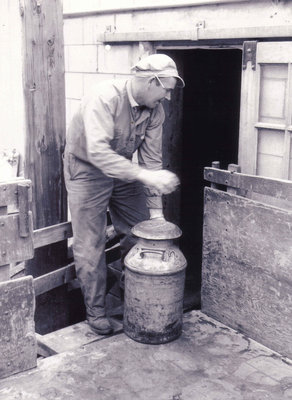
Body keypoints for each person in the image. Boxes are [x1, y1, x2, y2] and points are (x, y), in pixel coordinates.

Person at [63, 53, 185, 335]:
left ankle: (134, 299)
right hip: (87, 168)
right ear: (150, 82)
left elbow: (152, 161)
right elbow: (98, 152)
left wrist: (156, 213)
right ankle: (96, 312)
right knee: (90, 244)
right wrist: (143, 175)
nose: (167, 97)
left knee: (143, 231)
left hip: (123, 170)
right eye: (165, 89)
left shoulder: (156, 111)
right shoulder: (104, 97)